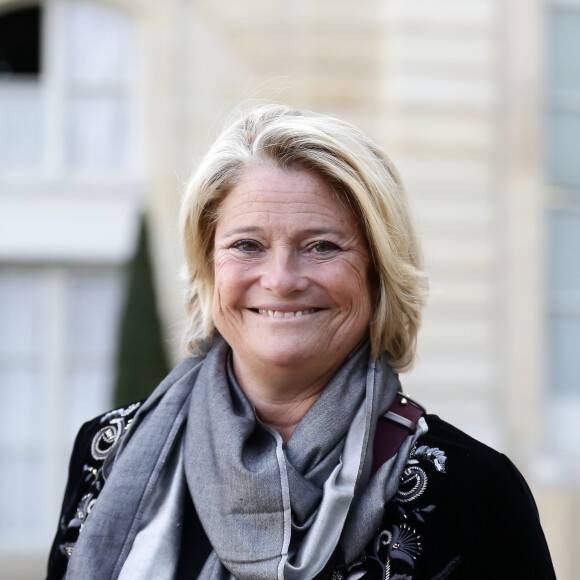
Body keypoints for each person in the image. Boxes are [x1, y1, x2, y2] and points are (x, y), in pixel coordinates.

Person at [47, 104, 556, 579]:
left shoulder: (473, 488)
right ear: (209, 267)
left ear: (378, 273)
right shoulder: (107, 452)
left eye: (322, 246)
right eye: (247, 245)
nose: (282, 279)